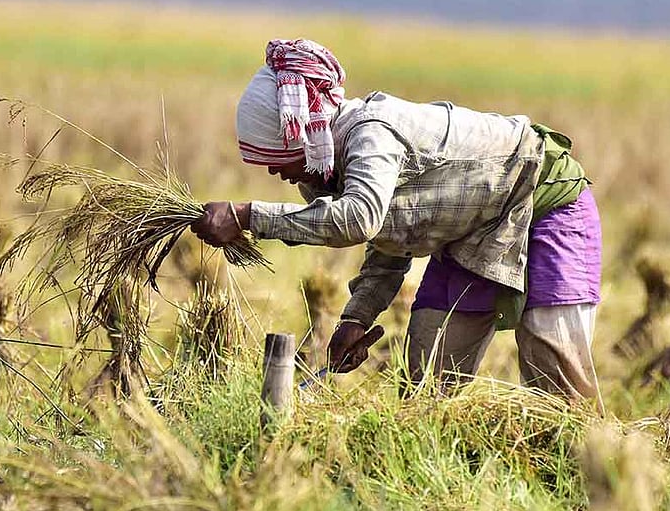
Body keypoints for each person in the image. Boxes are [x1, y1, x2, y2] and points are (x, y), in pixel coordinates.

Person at [193, 39, 603, 406]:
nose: (275, 172)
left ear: (300, 137)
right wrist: (358, 319)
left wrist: (248, 216)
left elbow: (359, 219)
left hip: (544, 198)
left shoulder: (372, 133)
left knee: (555, 372)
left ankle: (596, 470)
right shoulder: (322, 175)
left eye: (277, 159)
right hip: (470, 232)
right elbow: (390, 238)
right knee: (426, 384)